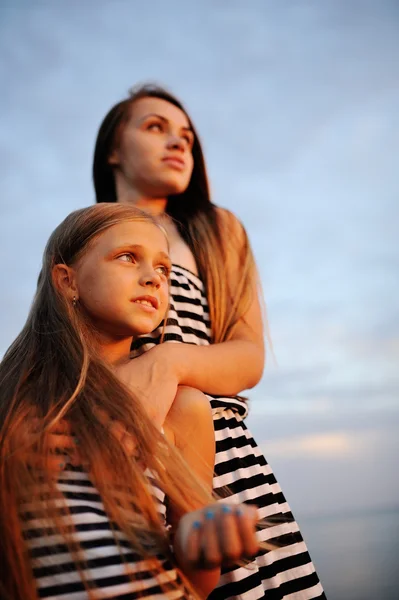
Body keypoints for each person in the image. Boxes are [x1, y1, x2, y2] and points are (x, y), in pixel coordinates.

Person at [92, 84, 326, 600]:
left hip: (225, 459)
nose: (179, 143)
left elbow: (247, 357)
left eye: (188, 138)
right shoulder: (85, 237)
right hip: (118, 459)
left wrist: (169, 360)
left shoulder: (216, 230)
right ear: (113, 148)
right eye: (155, 127)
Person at [0, 203, 264, 600]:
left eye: (163, 269)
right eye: (128, 257)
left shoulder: (184, 408)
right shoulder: (16, 397)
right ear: (66, 281)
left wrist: (202, 543)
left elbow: (198, 583)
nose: (153, 279)